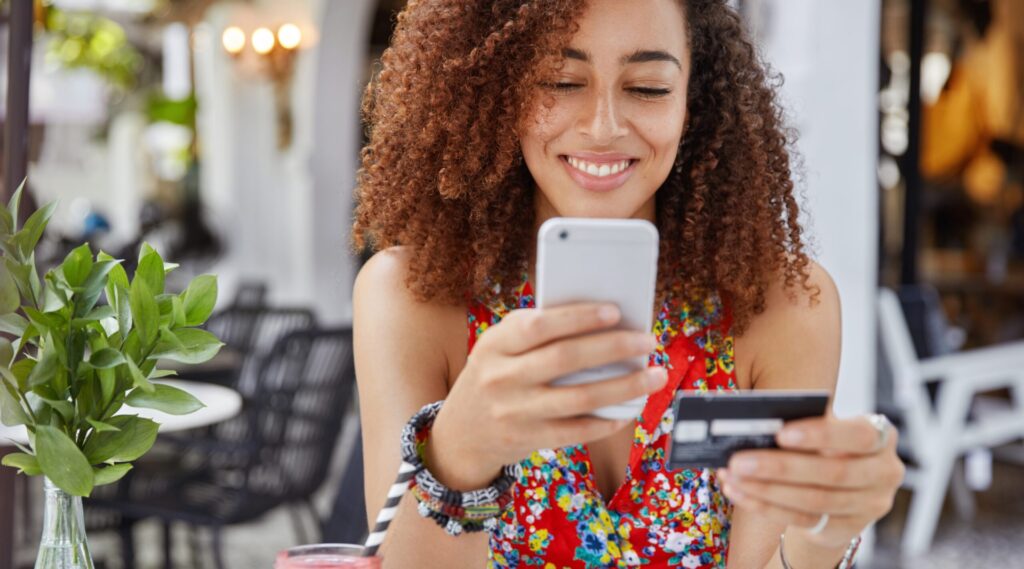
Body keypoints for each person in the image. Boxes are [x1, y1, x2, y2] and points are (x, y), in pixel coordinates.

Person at [352, 1, 904, 567]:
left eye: (647, 88)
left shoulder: (782, 307)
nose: (603, 127)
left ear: (697, 98)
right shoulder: (413, 298)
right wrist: (459, 451)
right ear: (497, 89)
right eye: (561, 81)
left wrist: (823, 533)